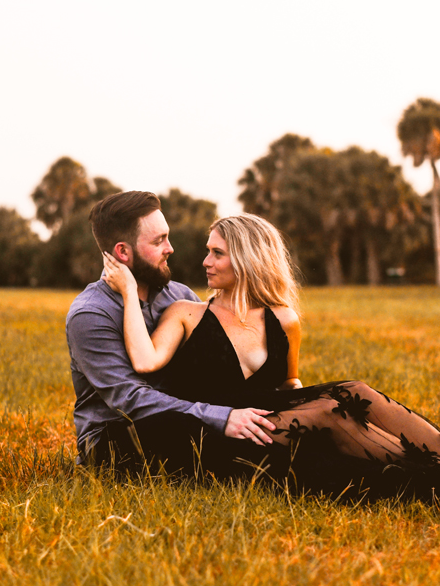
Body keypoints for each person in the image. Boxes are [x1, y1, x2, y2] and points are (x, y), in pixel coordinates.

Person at [98, 211, 440, 503]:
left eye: (216, 252)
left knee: (353, 392)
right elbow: (144, 365)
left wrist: (317, 399)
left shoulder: (283, 319)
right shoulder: (188, 314)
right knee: (331, 413)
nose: (204, 259)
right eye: (208, 251)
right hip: (220, 437)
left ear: (245, 259)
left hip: (268, 417)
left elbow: (287, 386)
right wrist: (125, 293)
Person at [66, 191, 280, 473]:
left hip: (189, 420)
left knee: (271, 430)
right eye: (158, 241)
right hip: (118, 435)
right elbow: (131, 400)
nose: (170, 248)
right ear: (123, 252)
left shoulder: (179, 297)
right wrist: (222, 417)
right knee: (238, 445)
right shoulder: (91, 314)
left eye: (167, 236)